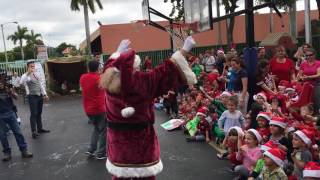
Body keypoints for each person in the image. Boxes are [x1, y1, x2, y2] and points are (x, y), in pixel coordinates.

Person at [99, 37, 197, 180]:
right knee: (146, 177)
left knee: (119, 176)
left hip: (117, 145)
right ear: (136, 67)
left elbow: (109, 66)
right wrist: (184, 49)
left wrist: (118, 52)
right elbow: (168, 70)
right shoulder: (144, 82)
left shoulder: (108, 81)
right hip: (142, 143)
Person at [0, 72, 33, 161]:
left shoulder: (8, 88)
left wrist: (10, 92)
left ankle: (24, 150)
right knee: (2, 136)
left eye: (1, 82)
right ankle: (7, 153)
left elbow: (16, 97)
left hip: (11, 113)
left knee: (18, 132)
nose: (0, 84)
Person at [80, 60, 107, 160]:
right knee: (104, 130)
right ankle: (101, 153)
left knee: (96, 128)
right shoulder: (99, 78)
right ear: (98, 68)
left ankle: (91, 149)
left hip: (88, 109)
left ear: (88, 68)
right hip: (99, 108)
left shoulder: (83, 77)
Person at [20, 60, 50, 139]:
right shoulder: (26, 76)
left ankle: (40, 129)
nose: (33, 68)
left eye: (33, 66)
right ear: (28, 67)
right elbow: (21, 82)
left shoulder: (36, 74)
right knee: (33, 114)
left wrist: (45, 94)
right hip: (32, 96)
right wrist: (28, 73)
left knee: (39, 113)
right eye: (31, 66)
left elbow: (40, 85)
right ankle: (34, 131)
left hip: (39, 95)